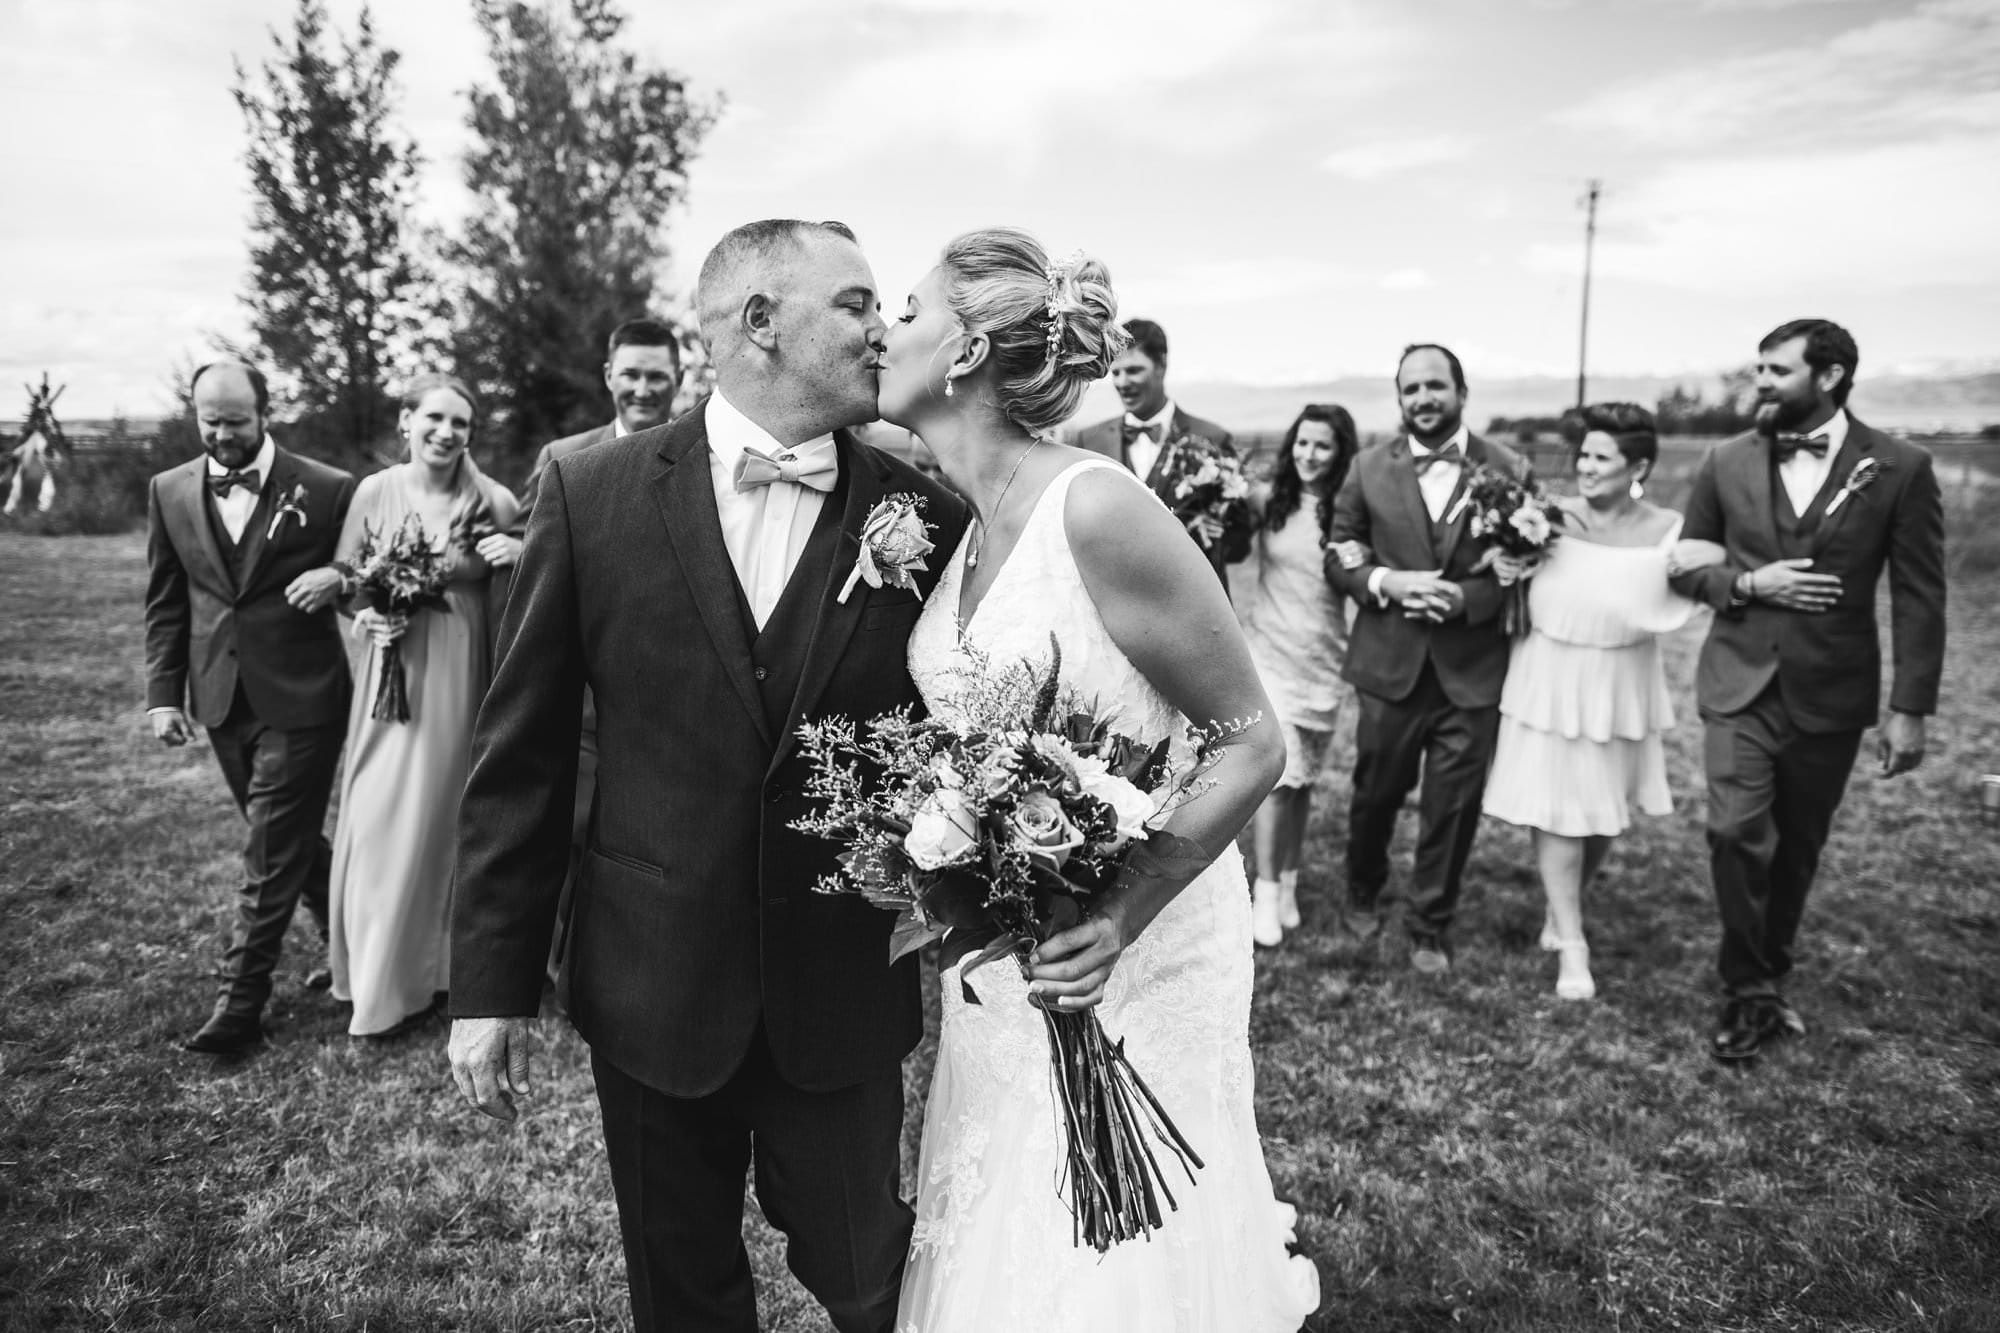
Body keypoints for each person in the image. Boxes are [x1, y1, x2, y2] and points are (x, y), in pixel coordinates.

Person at [446, 219, 969, 1333]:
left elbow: (964, 737)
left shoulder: (926, 514)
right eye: (855, 302)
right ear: (758, 324)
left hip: (836, 982)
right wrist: (489, 988)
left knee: (872, 1276)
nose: (882, 328)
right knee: (679, 1293)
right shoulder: (589, 491)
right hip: (650, 979)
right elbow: (521, 754)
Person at [882, 227, 1317, 1329]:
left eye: (906, 307)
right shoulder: (958, 521)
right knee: (1014, 1201)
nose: (886, 329)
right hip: (1009, 950)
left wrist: (1118, 909)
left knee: (1121, 1262)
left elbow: (1251, 742)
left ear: (968, 348)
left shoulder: (1097, 506)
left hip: (1140, 943)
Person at [1671, 319, 1944, 1062]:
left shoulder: (1900, 466)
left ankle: (1766, 971)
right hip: (1738, 680)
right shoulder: (1723, 460)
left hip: (1831, 689)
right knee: (1734, 831)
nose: (1760, 381)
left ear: (1828, 377)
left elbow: (1919, 595)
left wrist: (1909, 708)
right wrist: (1750, 581)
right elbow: (1685, 567)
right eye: (1758, 368)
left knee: (1795, 846)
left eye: (1776, 370)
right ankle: (1747, 986)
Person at [143, 361, 355, 1054]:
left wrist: (341, 577)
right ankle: (352, 937)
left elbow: (365, 572)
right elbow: (166, 599)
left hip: (304, 696)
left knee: (267, 849)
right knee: (288, 842)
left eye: (236, 420)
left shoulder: (326, 488)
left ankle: (240, 1003)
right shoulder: (168, 490)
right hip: (219, 697)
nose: (222, 433)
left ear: (266, 413)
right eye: (210, 419)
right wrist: (161, 696)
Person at [1480, 403, 1725, 1000]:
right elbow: (1500, 566)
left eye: (1601, 458)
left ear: (1637, 465)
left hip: (1621, 683)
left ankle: (1564, 910)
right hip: (1550, 676)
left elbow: (1715, 561)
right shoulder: (1547, 518)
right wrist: (1503, 561)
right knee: (1560, 811)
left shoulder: (1670, 527)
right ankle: (1572, 942)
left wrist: (1716, 558)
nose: (1585, 468)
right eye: (1583, 455)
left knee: (1603, 813)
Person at [1323, 344, 1528, 973]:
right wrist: (1389, 583)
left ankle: (1430, 921)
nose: (1423, 399)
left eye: (1435, 386)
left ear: (1462, 392)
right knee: (1376, 792)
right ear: (1399, 399)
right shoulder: (1365, 468)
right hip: (1389, 665)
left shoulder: (1509, 467)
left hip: (1472, 668)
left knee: (1454, 803)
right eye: (1410, 389)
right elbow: (1341, 551)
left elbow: (1526, 559)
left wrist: (1468, 597)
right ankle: (1363, 886)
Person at [326, 375, 521, 1038]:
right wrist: (367, 616)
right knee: (376, 815)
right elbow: (348, 578)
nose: (446, 433)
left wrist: (518, 551)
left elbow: (534, 583)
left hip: (459, 676)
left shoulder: (492, 499)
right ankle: (371, 979)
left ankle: (432, 974)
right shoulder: (373, 491)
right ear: (406, 419)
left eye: (460, 423)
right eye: (434, 418)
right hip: (390, 668)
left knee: (437, 821)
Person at [515, 317, 684, 978]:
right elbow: (539, 561)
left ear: (677, 380)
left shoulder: (706, 456)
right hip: (585, 682)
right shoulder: (565, 456)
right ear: (609, 375)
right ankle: (552, 961)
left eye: (656, 376)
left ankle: (610, 958)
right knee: (571, 828)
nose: (643, 388)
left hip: (669, 681)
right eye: (632, 374)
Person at [1231, 403, 1359, 948]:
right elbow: (1230, 544)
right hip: (1270, 653)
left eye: (1322, 446)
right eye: (1301, 443)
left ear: (1340, 453)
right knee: (1280, 782)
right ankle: (1263, 891)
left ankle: (1288, 882)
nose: (1309, 455)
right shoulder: (1268, 501)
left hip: (1324, 657)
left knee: (1306, 784)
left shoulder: (1351, 511)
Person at [1073, 317, 1252, 583]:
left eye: (1134, 370)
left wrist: (1219, 534)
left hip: (1192, 598)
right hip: (1115, 601)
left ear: (1162, 365)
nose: (1122, 382)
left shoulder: (1212, 438)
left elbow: (1240, 546)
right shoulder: (1089, 441)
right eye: (1116, 372)